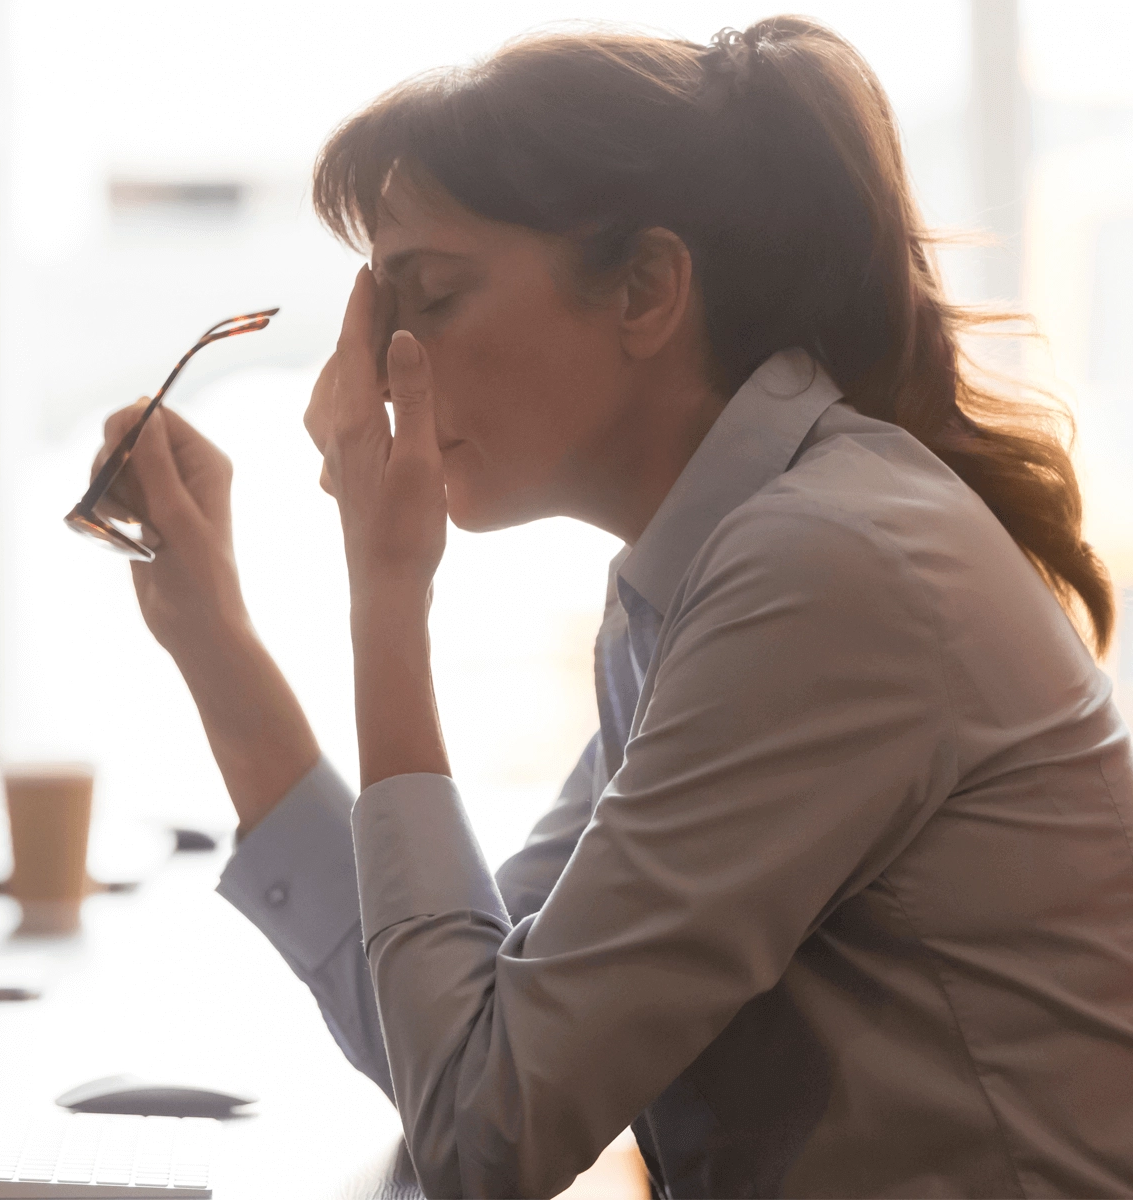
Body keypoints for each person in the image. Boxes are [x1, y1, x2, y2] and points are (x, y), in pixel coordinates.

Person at [89, 17, 1133, 1199]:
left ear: (645, 289)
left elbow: (485, 1138)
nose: (378, 364)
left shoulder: (825, 570)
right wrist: (211, 635)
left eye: (425, 297)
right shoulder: (713, 569)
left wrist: (386, 595)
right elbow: (444, 1037)